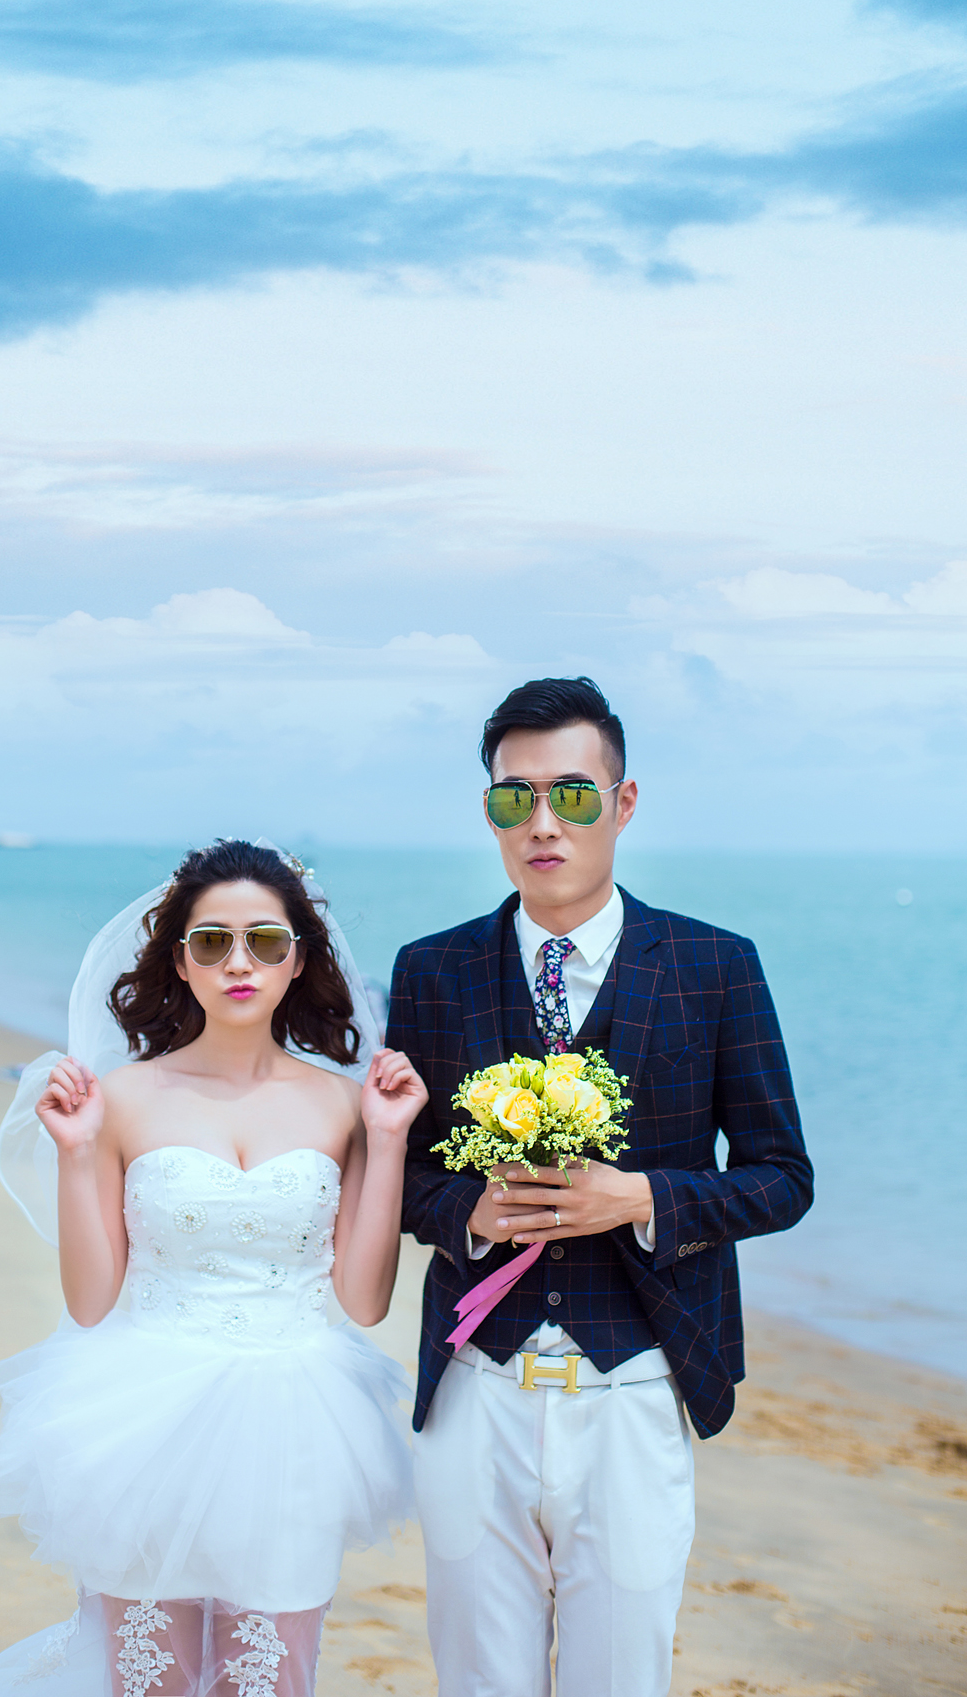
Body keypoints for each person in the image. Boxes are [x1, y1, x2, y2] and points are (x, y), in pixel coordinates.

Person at [388, 676, 814, 1697]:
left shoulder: (715, 966)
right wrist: (468, 1211)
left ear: (622, 805)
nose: (543, 823)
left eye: (572, 795)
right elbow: (396, 1173)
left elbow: (782, 1178)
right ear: (490, 812)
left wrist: (642, 1199)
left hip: (639, 1380)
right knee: (477, 1679)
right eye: (514, 797)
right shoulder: (431, 970)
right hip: (476, 1383)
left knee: (620, 1676)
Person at [0, 839, 427, 1697]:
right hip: (145, 1418)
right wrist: (76, 1152)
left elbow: (363, 1300)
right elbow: (90, 1301)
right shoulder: (122, 1098)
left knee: (269, 1679)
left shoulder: (344, 1105)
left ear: (299, 959)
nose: (239, 963)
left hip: (298, 1424)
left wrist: (388, 1143)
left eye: (265, 942)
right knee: (151, 1680)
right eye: (212, 941)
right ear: (180, 959)